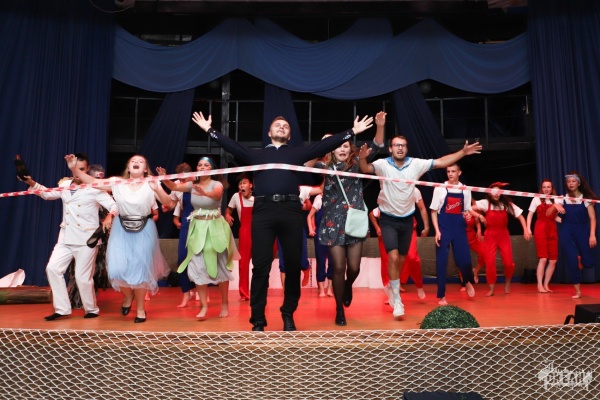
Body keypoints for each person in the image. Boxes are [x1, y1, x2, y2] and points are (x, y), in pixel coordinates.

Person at [192, 111, 373, 331]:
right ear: (269, 133)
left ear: (289, 135)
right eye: (277, 125)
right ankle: (258, 319)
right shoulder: (257, 154)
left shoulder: (296, 153)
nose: (281, 126)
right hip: (263, 211)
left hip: (290, 210)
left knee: (294, 266)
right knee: (260, 267)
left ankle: (288, 313)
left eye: (285, 126)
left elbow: (323, 146)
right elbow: (232, 146)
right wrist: (209, 130)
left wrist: (352, 131)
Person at [359, 135, 482, 319]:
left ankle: (392, 285)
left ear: (407, 148)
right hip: (388, 219)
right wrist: (362, 158)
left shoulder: (415, 164)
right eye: (396, 145)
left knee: (402, 259)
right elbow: (365, 169)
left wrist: (463, 152)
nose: (400, 148)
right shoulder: (383, 164)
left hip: (407, 220)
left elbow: (441, 162)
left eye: (403, 145)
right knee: (393, 257)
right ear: (390, 149)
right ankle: (397, 299)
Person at [66, 154, 172, 323]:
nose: (136, 162)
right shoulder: (117, 182)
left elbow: (169, 203)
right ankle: (128, 296)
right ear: (128, 167)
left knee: (140, 272)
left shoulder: (151, 183)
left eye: (141, 161)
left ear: (145, 169)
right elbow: (91, 181)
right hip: (121, 229)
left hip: (144, 230)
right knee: (117, 269)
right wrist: (74, 169)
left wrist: (158, 189)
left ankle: (140, 309)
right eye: (133, 161)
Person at [19, 153, 117, 321]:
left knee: (82, 277)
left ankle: (91, 309)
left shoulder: (94, 187)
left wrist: (109, 216)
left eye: (82, 169)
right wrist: (30, 182)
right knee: (53, 269)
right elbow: (47, 194)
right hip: (65, 236)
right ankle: (62, 309)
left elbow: (114, 205)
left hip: (87, 238)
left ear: (87, 169)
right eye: (75, 168)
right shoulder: (65, 184)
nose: (78, 172)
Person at [317, 111, 385, 326]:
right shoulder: (324, 166)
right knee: (338, 267)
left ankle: (347, 286)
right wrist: (322, 146)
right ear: (332, 149)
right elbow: (306, 163)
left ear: (350, 148)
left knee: (353, 268)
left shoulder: (357, 163)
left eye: (346, 146)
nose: (342, 149)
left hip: (354, 220)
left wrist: (380, 126)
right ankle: (339, 309)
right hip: (332, 223)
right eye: (338, 146)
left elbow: (377, 145)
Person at [158, 157, 238, 320]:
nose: (202, 167)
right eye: (199, 165)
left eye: (206, 165)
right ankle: (203, 306)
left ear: (212, 169)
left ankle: (224, 303)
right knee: (197, 266)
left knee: (220, 266)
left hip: (215, 228)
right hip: (197, 228)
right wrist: (164, 177)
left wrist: (204, 192)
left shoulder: (217, 184)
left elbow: (217, 195)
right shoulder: (191, 185)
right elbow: (174, 187)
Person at [369, 188, 429, 305]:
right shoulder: (388, 190)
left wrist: (426, 227)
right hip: (391, 227)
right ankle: (393, 292)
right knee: (392, 258)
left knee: (412, 257)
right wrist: (378, 228)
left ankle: (418, 285)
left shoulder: (414, 190)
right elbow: (374, 212)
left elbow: (422, 208)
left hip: (408, 228)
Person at [430, 163, 478, 306]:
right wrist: (437, 231)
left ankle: (467, 281)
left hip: (459, 227)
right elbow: (433, 211)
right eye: (448, 171)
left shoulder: (465, 189)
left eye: (453, 171)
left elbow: (466, 210)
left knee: (465, 260)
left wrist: (468, 215)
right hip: (444, 228)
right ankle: (442, 296)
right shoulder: (440, 188)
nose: (450, 174)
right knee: (442, 262)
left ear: (459, 173)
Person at [473, 182, 530, 297]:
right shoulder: (486, 203)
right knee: (490, 262)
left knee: (509, 263)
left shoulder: (506, 204)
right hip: (490, 234)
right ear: (490, 193)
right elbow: (469, 208)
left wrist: (525, 229)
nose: (496, 194)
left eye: (498, 192)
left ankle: (508, 283)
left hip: (503, 234)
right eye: (494, 192)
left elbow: (520, 216)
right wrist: (479, 216)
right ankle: (491, 289)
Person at [551, 172, 597, 299]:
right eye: (568, 181)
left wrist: (592, 234)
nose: (570, 184)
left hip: (582, 230)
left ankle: (581, 259)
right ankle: (578, 291)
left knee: (589, 263)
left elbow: (592, 218)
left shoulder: (586, 199)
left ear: (579, 183)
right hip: (567, 230)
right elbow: (551, 215)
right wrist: (555, 207)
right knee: (571, 260)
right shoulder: (562, 198)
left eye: (573, 181)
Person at [167, 162, 199, 307]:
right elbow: (172, 202)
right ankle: (186, 292)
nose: (181, 182)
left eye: (184, 179)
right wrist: (168, 207)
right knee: (182, 258)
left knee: (199, 259)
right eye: (179, 179)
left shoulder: (199, 183)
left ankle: (201, 291)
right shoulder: (176, 185)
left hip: (200, 221)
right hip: (186, 222)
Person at [276, 185, 321, 289]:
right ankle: (286, 293)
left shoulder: (302, 190)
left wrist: (326, 173)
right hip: (281, 229)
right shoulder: (277, 190)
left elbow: (310, 204)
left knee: (302, 261)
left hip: (297, 229)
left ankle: (306, 268)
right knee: (283, 264)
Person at [526, 179, 559, 293]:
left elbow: (555, 217)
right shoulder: (536, 198)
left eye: (548, 187)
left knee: (553, 260)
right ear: (541, 188)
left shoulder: (556, 199)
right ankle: (539, 285)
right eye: (544, 187)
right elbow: (530, 215)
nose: (546, 189)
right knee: (543, 258)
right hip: (540, 229)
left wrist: (564, 221)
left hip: (552, 230)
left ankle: (546, 284)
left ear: (552, 188)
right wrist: (528, 228)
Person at [225, 173, 254, 302]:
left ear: (251, 185)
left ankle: (259, 289)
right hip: (245, 230)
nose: (241, 185)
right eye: (240, 183)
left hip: (259, 230)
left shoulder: (257, 198)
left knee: (260, 261)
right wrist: (227, 215)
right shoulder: (236, 196)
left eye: (244, 183)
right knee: (243, 262)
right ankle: (244, 293)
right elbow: (228, 210)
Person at [307, 193, 334, 297]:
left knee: (332, 262)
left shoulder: (337, 197)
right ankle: (322, 289)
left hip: (333, 234)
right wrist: (311, 229)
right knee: (321, 261)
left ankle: (330, 288)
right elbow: (310, 215)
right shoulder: (319, 198)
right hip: (320, 234)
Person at [465, 199, 486, 284]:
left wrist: (479, 230)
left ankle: (476, 271)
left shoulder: (473, 208)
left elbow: (477, 221)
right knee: (462, 259)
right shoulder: (458, 208)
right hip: (461, 237)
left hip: (472, 236)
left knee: (484, 252)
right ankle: (464, 282)